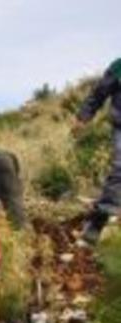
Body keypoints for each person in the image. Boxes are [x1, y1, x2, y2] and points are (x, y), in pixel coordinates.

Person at [77, 57, 121, 246]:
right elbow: (99, 93)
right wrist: (84, 116)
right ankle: (97, 221)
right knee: (120, 168)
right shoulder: (119, 67)